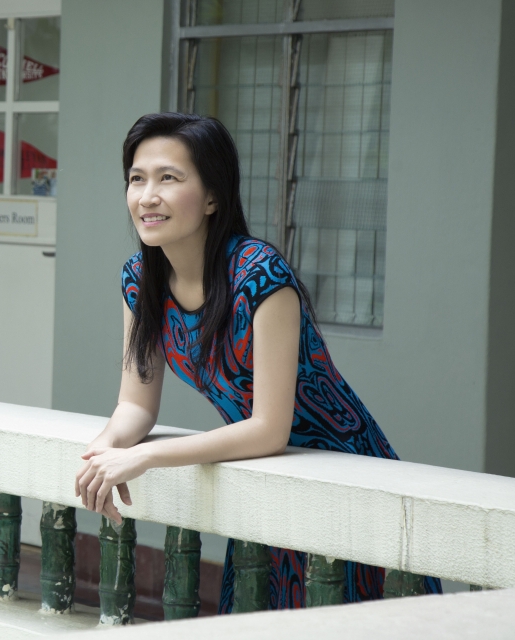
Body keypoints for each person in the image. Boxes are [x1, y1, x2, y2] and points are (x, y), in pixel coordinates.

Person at [74, 112, 440, 610]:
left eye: (169, 178)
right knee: (259, 627)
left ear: (212, 197)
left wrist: (147, 456)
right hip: (265, 475)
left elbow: (270, 428)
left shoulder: (259, 275)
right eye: (137, 179)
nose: (147, 196)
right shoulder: (141, 279)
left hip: (343, 473)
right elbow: (136, 404)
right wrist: (105, 451)